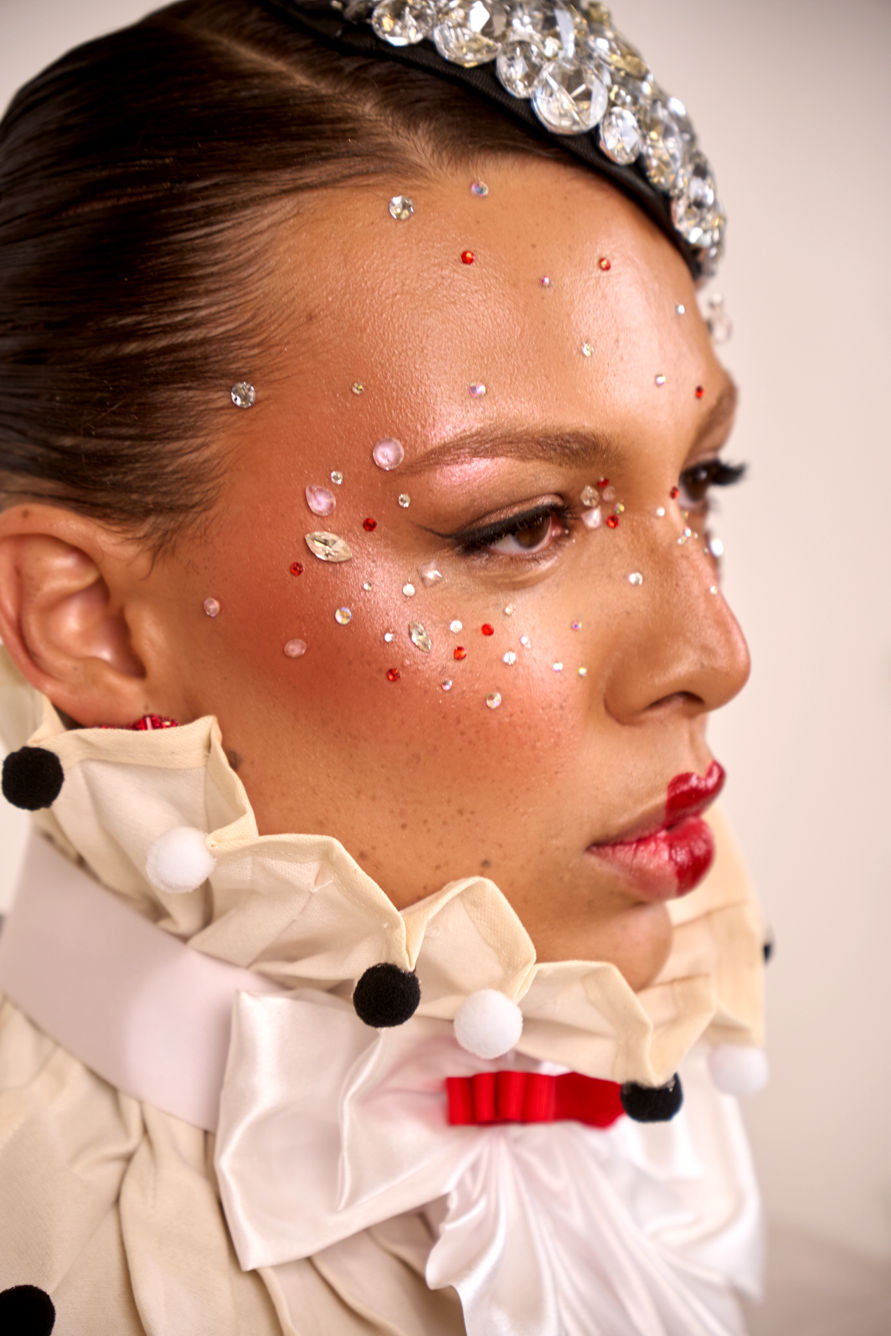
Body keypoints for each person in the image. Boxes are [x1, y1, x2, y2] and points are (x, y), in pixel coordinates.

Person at [0, 1, 767, 1331]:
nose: (716, 653)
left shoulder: (669, 1143)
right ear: (92, 623)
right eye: (518, 524)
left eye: (701, 479)